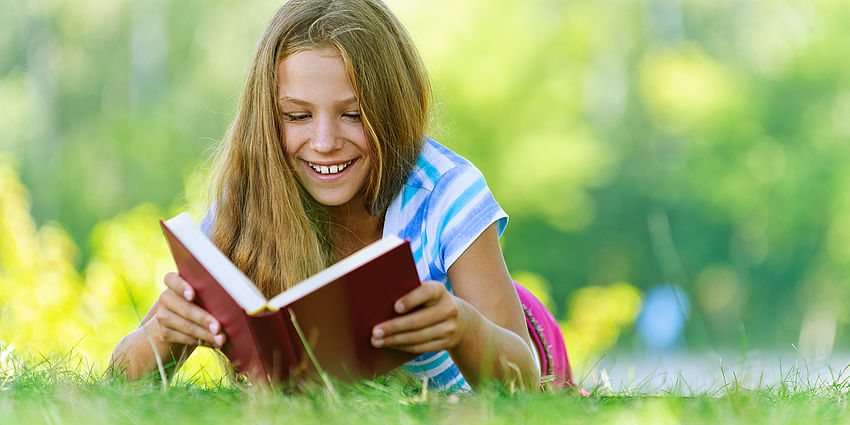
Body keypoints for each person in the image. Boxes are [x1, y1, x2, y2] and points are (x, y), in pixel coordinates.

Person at [111, 0, 573, 392]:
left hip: (510, 326)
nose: (325, 141)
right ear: (268, 120)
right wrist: (162, 335)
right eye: (297, 116)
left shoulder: (444, 194)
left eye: (353, 114)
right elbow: (117, 380)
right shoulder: (249, 201)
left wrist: (462, 325)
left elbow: (527, 378)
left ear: (392, 109)